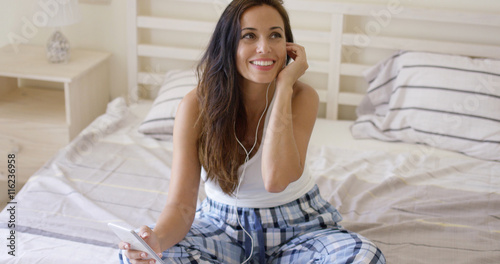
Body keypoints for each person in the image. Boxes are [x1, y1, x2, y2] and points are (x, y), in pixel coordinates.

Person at [119, 0, 385, 263]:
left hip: (299, 228)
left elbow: (275, 181)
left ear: (289, 46)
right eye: (249, 36)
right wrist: (156, 240)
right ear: (228, 45)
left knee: (364, 256)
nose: (264, 48)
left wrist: (285, 86)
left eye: (275, 35)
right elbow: (181, 206)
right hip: (221, 228)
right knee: (145, 260)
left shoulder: (302, 96)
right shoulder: (195, 106)